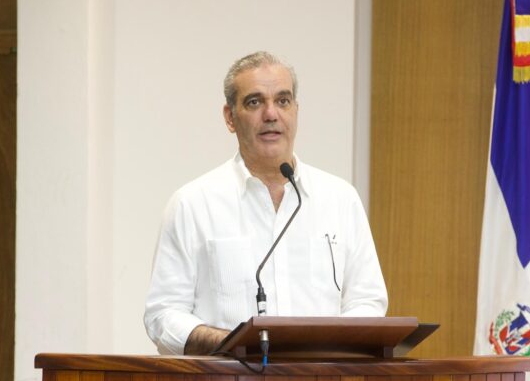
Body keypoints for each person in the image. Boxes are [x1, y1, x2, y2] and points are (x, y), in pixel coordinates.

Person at [144, 51, 388, 355]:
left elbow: (367, 301)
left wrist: (320, 346)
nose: (271, 114)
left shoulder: (340, 199)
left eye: (283, 101)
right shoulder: (192, 204)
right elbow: (163, 315)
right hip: (228, 380)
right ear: (230, 117)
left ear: (296, 111)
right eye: (254, 102)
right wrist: (235, 344)